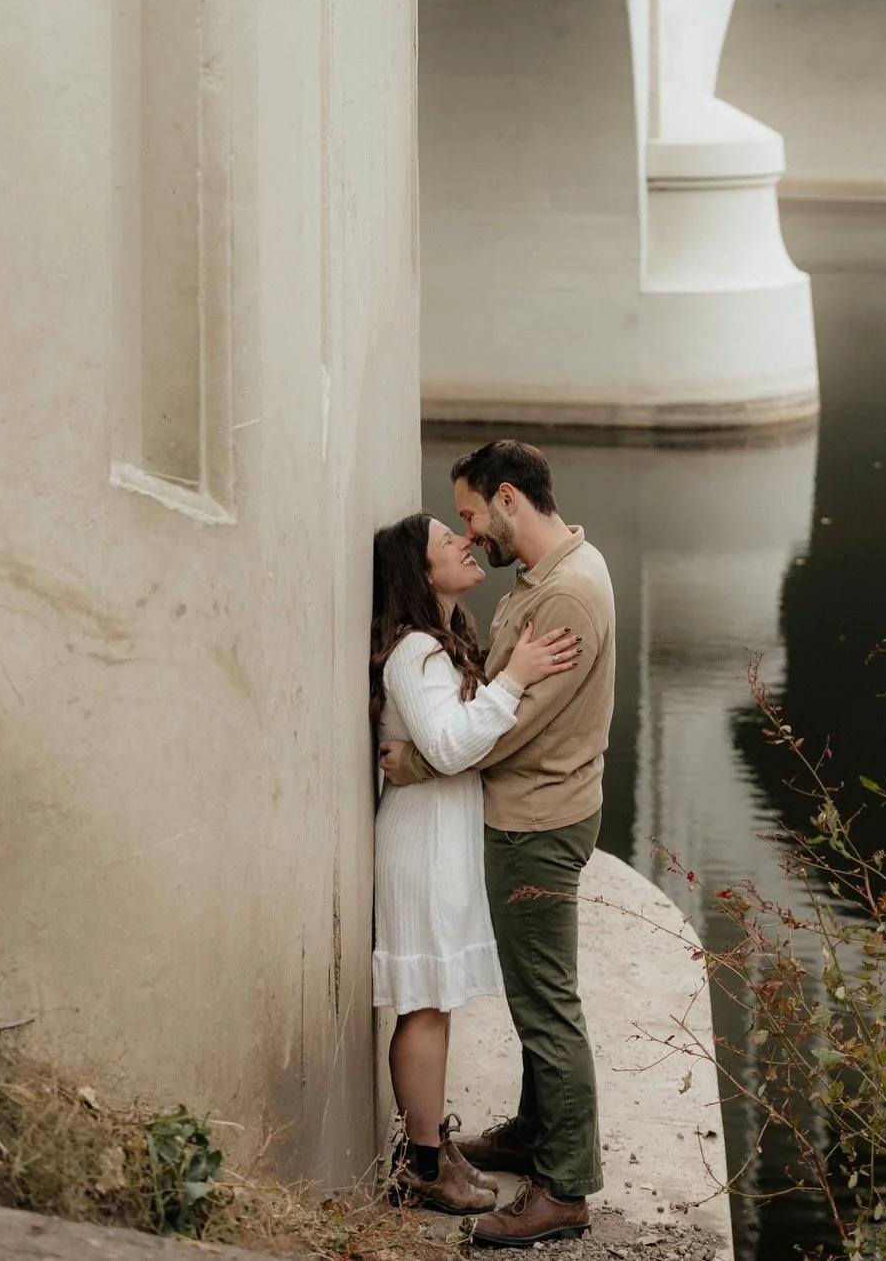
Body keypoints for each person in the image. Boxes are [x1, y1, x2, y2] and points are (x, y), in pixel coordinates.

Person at [380, 440, 616, 1248]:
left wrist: (414, 759)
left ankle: (563, 1188)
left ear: (509, 498)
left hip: (537, 822)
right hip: (527, 813)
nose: (470, 533)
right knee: (534, 994)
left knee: (548, 1003)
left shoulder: (571, 596)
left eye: (472, 515)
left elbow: (513, 724)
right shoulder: (540, 582)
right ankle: (531, 1131)